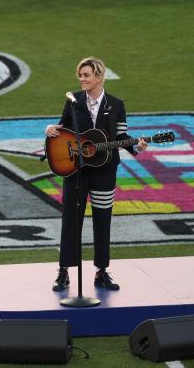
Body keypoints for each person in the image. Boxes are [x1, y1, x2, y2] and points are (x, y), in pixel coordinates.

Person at [45, 57, 147, 292]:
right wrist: (49, 129)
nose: (82, 79)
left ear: (99, 77)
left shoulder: (116, 104)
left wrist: (136, 147)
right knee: (71, 221)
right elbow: (62, 129)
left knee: (103, 221)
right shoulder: (73, 101)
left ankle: (101, 271)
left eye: (86, 75)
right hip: (75, 172)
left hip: (104, 172)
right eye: (80, 75)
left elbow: (121, 137)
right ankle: (64, 272)